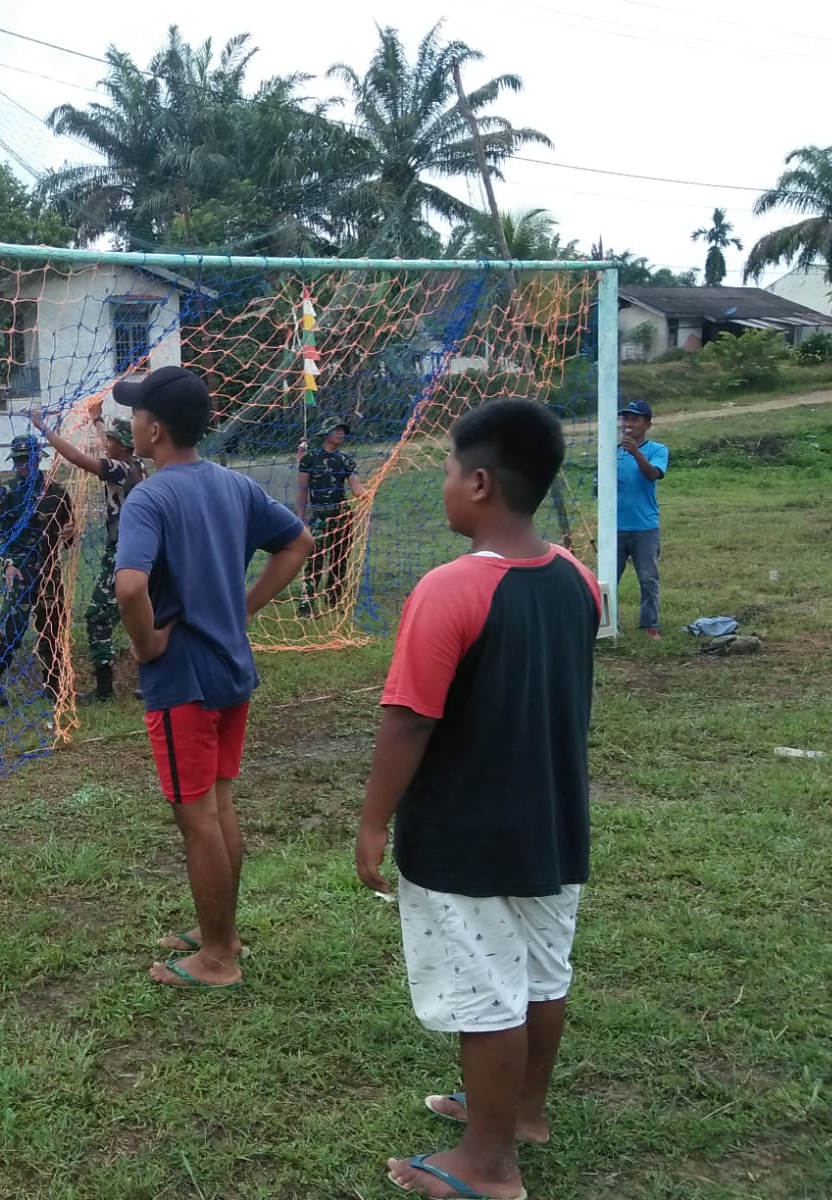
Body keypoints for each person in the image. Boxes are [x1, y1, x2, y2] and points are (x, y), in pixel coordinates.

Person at [354, 398, 600, 1200]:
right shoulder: (580, 581)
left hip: (467, 838)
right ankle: (520, 1112)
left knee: (486, 994)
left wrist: (371, 821)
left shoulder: (450, 590)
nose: (447, 486)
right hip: (554, 826)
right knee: (540, 978)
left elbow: (407, 721)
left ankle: (488, 1166)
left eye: (451, 472)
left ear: (482, 483)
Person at [114, 366, 313, 989]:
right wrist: (242, 608)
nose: (132, 422)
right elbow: (298, 542)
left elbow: (129, 586)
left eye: (138, 413)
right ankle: (220, 932)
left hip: (184, 684)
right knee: (219, 804)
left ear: (155, 430)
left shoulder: (150, 496)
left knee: (196, 816)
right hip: (231, 673)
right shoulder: (233, 485)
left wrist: (146, 645)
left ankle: (218, 958)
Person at [26, 405, 146, 701]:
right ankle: (148, 680)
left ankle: (105, 690)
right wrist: (96, 419)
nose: (106, 444)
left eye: (111, 440)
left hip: (124, 552)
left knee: (97, 616)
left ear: (124, 445)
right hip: (141, 549)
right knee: (142, 611)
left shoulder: (120, 469)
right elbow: (108, 445)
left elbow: (77, 458)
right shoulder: (136, 463)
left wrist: (43, 427)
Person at [0, 433, 75, 705]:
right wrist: (9, 565)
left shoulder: (57, 493)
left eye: (28, 459)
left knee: (53, 628)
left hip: (49, 570)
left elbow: (67, 536)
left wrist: (70, 532)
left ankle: (54, 686)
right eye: (19, 460)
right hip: (18, 570)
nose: (23, 465)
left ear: (38, 460)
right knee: (12, 628)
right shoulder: (4, 493)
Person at [296, 417, 366, 617]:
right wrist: (301, 519)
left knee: (339, 559)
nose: (341, 434)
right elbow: (302, 490)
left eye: (343, 431)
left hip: (342, 516)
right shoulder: (309, 458)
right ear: (327, 433)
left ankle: (334, 599)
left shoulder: (345, 460)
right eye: (338, 430)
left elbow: (356, 487)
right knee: (315, 560)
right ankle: (306, 605)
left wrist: (367, 493)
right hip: (319, 516)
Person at [617, 399, 668, 639]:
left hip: (645, 526)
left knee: (648, 578)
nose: (628, 424)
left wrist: (636, 453)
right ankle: (607, 624)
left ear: (647, 424)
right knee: (607, 578)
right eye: (625, 418)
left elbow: (652, 474)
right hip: (614, 528)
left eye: (635, 419)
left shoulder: (657, 450)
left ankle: (650, 626)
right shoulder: (611, 452)